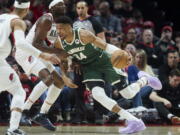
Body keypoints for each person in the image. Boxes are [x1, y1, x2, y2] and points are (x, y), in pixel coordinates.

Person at [55, 16, 162, 134]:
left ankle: (145, 79)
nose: (58, 31)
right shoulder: (59, 42)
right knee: (97, 95)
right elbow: (64, 59)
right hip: (89, 68)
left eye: (61, 28)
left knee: (128, 94)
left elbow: (105, 46)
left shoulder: (83, 35)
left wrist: (121, 53)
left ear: (69, 27)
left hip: (104, 61)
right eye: (57, 28)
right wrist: (65, 74)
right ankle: (134, 121)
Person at [15, 0, 77, 131]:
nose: (64, 6)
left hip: (41, 54)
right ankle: (23, 112)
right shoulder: (46, 19)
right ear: (52, 8)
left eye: (64, 4)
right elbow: (36, 43)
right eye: (60, 4)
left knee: (59, 82)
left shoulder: (61, 26)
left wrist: (65, 76)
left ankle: (42, 114)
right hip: (27, 52)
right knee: (48, 78)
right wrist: (58, 52)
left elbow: (62, 55)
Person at [0, 0, 60, 135]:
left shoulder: (2, 17)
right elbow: (21, 43)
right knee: (18, 92)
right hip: (4, 60)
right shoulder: (18, 22)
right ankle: (13, 129)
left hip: (3, 61)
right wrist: (44, 55)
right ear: (27, 10)